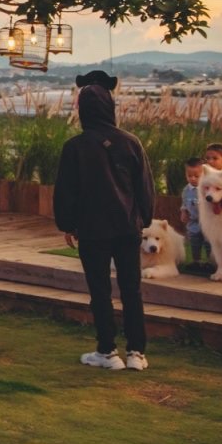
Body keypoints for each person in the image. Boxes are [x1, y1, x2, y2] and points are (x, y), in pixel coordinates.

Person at [54, 83, 155, 372]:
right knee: (131, 289)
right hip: (127, 227)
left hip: (92, 229)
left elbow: (66, 192)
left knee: (99, 290)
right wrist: (143, 219)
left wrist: (68, 224)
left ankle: (107, 351)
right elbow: (144, 188)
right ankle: (137, 351)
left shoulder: (75, 147)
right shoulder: (131, 142)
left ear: (82, 110)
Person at [180, 156, 209, 267]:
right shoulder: (186, 190)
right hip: (193, 222)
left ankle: (210, 262)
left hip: (206, 222)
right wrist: (184, 212)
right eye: (189, 176)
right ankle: (196, 261)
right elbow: (184, 203)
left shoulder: (206, 189)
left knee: (208, 243)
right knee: (194, 242)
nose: (193, 178)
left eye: (197, 176)